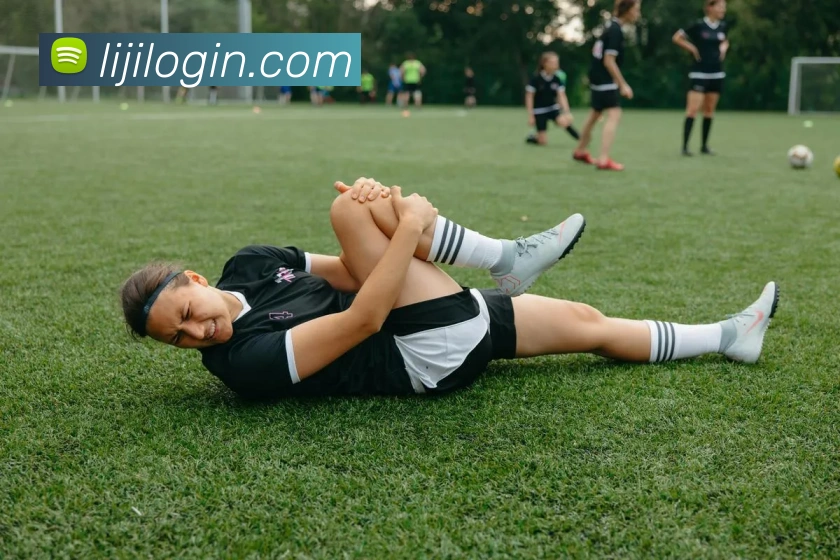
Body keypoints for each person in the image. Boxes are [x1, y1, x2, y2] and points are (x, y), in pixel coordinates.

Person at [120, 178, 780, 401]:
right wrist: (403, 224)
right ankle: (503, 257)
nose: (196, 334)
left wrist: (391, 225)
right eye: (178, 340)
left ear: (197, 281)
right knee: (351, 210)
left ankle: (730, 337)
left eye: (187, 313)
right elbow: (365, 318)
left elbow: (355, 274)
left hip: (427, 315)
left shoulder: (253, 264)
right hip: (419, 354)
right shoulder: (242, 365)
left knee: (587, 319)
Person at [573, 0, 641, 171]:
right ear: (627, 11)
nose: (638, 14)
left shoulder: (609, 26)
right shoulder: (616, 31)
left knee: (595, 114)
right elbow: (609, 61)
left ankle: (580, 150)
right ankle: (603, 159)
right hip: (605, 80)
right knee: (614, 114)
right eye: (636, 10)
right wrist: (623, 85)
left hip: (596, 78)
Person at [673, 0, 729, 156]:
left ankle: (704, 146)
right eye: (720, 7)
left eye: (724, 7)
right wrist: (691, 48)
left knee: (709, 110)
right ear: (710, 8)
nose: (723, 10)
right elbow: (677, 37)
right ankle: (685, 147)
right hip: (699, 73)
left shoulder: (722, 27)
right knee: (692, 110)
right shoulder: (698, 26)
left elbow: (725, 40)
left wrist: (724, 47)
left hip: (717, 73)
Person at [525, 52, 580, 146]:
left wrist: (567, 112)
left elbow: (561, 96)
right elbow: (529, 97)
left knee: (564, 122)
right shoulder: (535, 79)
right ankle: (532, 138)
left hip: (552, 108)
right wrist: (531, 115)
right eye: (553, 62)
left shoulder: (557, 79)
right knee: (542, 142)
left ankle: (582, 140)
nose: (556, 65)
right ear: (544, 63)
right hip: (539, 111)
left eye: (556, 62)